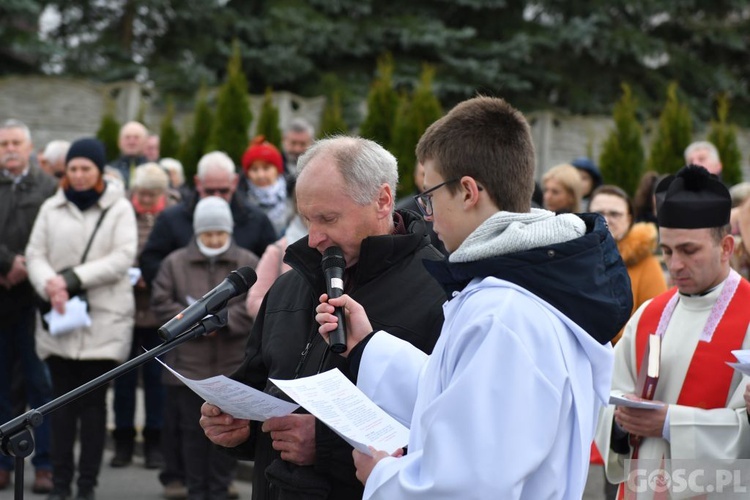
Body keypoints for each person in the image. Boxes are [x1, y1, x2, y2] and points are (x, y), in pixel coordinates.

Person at [314, 96, 631, 499]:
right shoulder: (526, 287)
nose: (426, 215)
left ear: (467, 191)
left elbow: (474, 481)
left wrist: (384, 478)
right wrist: (367, 347)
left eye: (429, 197)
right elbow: (457, 395)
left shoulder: (504, 313)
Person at [199, 136, 447, 500]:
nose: (313, 237)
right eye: (306, 219)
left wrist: (328, 448)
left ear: (382, 200)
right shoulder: (289, 286)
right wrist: (239, 427)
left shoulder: (441, 292)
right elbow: (260, 388)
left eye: (328, 218)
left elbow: (450, 441)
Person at [595, 165, 750, 498]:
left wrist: (668, 424)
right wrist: (621, 423)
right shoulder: (649, 314)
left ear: (725, 247)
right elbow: (606, 401)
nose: (675, 265)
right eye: (666, 251)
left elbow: (746, 431)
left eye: (689, 250)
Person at [26, 137, 137, 500]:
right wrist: (50, 285)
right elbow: (35, 253)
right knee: (60, 409)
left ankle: (86, 486)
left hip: (103, 322)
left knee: (92, 410)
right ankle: (60, 485)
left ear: (98, 170)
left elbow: (122, 257)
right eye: (72, 168)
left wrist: (73, 279)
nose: (78, 175)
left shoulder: (119, 208)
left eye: (85, 168)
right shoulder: (51, 207)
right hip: (61, 319)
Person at [152, 196, 258, 500]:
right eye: (208, 234)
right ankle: (195, 489)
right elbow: (162, 302)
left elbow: (253, 307)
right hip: (189, 367)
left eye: (220, 234)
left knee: (228, 431)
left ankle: (220, 487)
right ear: (197, 233)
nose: (214, 239)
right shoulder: (174, 263)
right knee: (192, 434)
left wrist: (220, 322)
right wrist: (191, 324)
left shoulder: (247, 261)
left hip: (232, 365)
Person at [0, 119, 58, 494]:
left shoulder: (48, 188)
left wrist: (28, 269)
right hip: (1, 297)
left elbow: (56, 236)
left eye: (16, 142)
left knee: (41, 385)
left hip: (36, 301)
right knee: (2, 384)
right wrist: (6, 264)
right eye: (4, 143)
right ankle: (3, 461)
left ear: (30, 146)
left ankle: (45, 463)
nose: (10, 148)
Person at [109, 164, 175, 470]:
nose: (145, 200)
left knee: (155, 382)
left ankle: (154, 443)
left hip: (158, 310)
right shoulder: (121, 208)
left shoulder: (172, 213)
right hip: (124, 306)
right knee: (122, 381)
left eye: (151, 195)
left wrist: (154, 276)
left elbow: (174, 254)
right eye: (141, 194)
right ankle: (123, 441)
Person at [139, 151, 276, 285]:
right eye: (210, 191)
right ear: (198, 183)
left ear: (234, 182)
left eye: (223, 191)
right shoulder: (171, 219)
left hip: (239, 304)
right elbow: (151, 263)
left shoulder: (255, 219)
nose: (217, 196)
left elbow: (271, 267)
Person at [589, 185, 667, 343]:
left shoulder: (646, 263)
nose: (606, 219)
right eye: (598, 213)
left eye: (614, 214)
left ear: (629, 219)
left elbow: (657, 324)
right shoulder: (572, 257)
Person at [240, 136, 293, 238]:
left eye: (266, 168)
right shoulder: (241, 199)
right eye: (254, 169)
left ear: (277, 170)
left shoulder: (293, 194)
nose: (261, 175)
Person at [394, 162, 446, 254]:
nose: (427, 179)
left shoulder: (453, 205)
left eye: (432, 174)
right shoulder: (402, 210)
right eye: (423, 174)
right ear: (415, 177)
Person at [108, 121, 149, 189]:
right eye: (127, 137)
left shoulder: (156, 172)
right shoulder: (109, 171)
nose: (131, 142)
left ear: (146, 142)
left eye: (136, 137)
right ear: (119, 142)